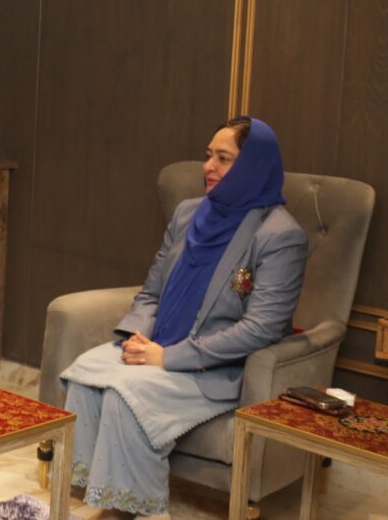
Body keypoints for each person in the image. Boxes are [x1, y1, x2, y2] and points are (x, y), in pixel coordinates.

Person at [59, 116, 307, 520]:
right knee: (85, 375)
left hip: (215, 368)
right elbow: (151, 292)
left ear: (252, 165)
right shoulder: (188, 214)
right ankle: (102, 501)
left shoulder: (280, 236)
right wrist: (137, 338)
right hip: (158, 346)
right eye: (208, 155)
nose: (208, 166)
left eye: (223, 158)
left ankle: (141, 512)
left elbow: (260, 329)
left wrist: (168, 357)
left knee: (125, 394)